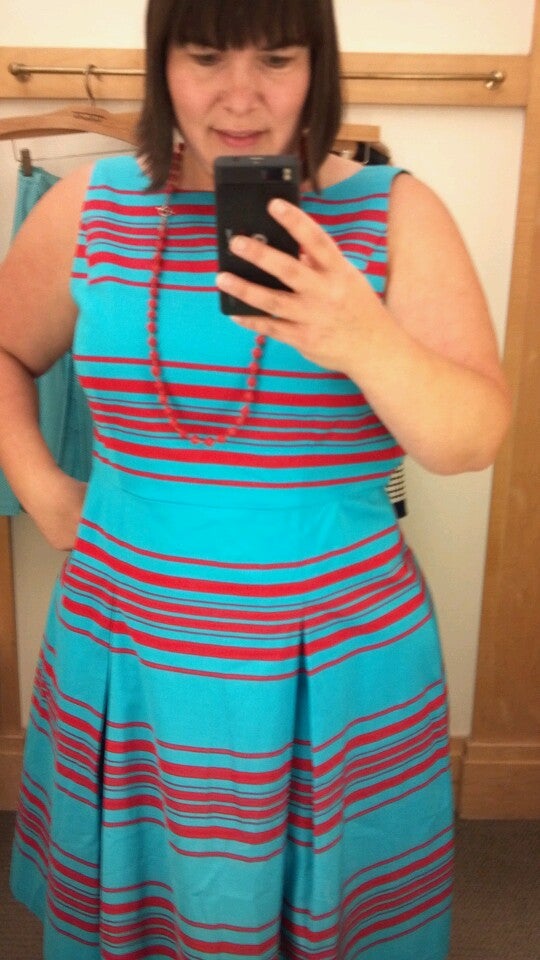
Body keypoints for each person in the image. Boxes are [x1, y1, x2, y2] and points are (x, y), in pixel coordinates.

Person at [0, 1, 511, 958]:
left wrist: (362, 336)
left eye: (276, 58)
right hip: (128, 648)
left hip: (335, 662)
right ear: (163, 65)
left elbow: (471, 439)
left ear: (319, 66)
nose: (241, 97)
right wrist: (42, 486)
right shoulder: (88, 209)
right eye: (205, 57)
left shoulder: (396, 212)